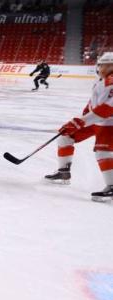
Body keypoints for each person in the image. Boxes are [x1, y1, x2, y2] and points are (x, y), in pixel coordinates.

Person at [44, 52, 113, 201]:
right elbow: (93, 103)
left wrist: (80, 122)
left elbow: (107, 109)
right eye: (100, 65)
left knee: (102, 152)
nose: (100, 68)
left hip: (109, 124)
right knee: (65, 137)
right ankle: (63, 172)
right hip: (96, 120)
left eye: (105, 65)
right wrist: (81, 118)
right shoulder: (101, 80)